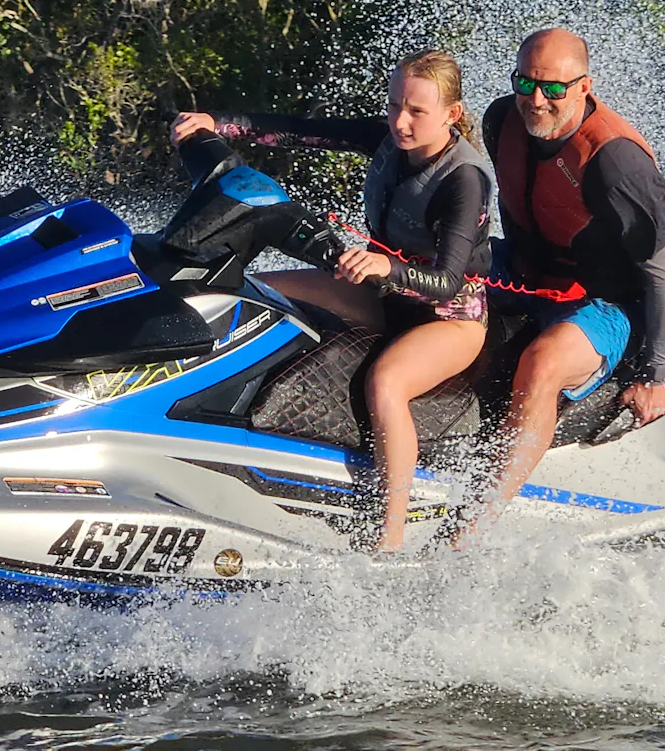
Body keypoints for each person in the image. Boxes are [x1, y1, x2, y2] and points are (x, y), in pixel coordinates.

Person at [170, 50, 493, 552]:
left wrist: (387, 266)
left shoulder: (464, 180)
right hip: (383, 294)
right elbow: (304, 131)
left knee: (387, 384)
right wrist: (221, 124)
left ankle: (389, 535)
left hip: (449, 319)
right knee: (261, 291)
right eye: (393, 107)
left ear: (452, 114)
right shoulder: (390, 139)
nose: (400, 122)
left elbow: (449, 282)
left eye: (416, 112)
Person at [465, 27, 665, 534]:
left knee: (539, 366)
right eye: (526, 83)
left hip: (602, 303)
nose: (536, 100)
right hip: (522, 273)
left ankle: (471, 526)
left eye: (554, 88)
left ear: (584, 87)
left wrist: (655, 376)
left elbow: (662, 271)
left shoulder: (617, 162)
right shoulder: (502, 119)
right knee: (413, 274)